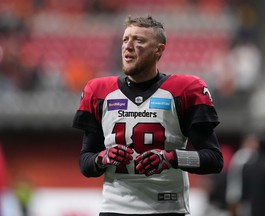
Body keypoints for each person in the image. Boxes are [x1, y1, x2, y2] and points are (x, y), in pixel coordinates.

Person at [72, 15, 223, 216]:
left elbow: (214, 159)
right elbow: (86, 163)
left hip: (168, 209)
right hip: (115, 209)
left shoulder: (184, 90)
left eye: (139, 40)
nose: (128, 46)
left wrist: (170, 158)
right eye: (125, 39)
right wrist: (103, 157)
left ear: (158, 50)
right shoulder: (99, 91)